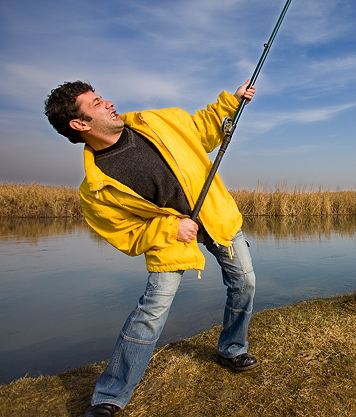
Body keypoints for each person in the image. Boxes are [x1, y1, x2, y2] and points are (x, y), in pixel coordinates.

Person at [45, 80, 259, 417]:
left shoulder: (153, 121)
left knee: (244, 282)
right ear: (79, 124)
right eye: (97, 102)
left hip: (216, 215)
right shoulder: (95, 190)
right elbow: (128, 234)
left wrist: (231, 101)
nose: (109, 102)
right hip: (170, 240)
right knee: (152, 312)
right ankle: (109, 397)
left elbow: (203, 128)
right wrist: (171, 227)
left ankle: (232, 348)